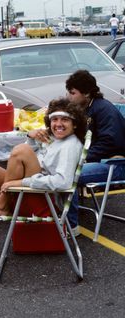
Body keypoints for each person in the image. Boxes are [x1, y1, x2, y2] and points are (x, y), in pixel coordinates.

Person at [0, 98, 87, 227]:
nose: (58, 124)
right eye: (54, 119)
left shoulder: (70, 145)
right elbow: (29, 160)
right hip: (28, 192)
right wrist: (31, 138)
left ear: (74, 124)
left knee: (21, 149)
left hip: (46, 200)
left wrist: (21, 183)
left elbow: (63, 182)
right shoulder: (54, 138)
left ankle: (1, 205)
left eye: (65, 120)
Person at [63, 69, 125, 235]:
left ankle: (70, 227)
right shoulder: (85, 107)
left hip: (113, 164)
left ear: (87, 93)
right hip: (99, 160)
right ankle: (58, 216)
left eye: (72, 93)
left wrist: (82, 158)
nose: (69, 97)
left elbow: (110, 142)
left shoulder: (104, 110)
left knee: (68, 175)